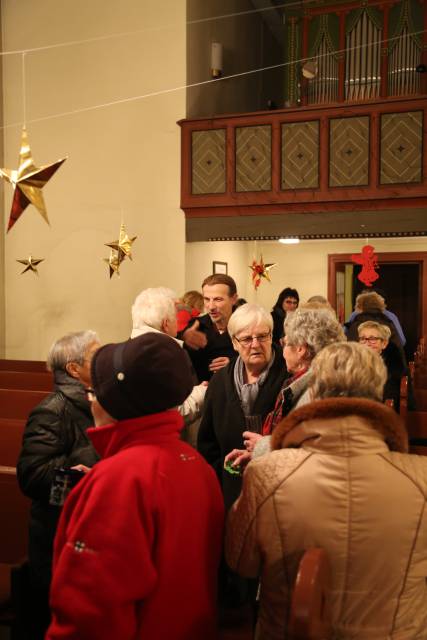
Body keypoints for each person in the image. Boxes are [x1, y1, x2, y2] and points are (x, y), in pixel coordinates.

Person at [226, 342, 427, 640]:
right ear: (377, 395)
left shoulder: (268, 474)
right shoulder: (420, 479)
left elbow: (241, 561)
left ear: (315, 393)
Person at [46, 333, 224, 640]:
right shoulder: (194, 463)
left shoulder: (119, 479)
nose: (91, 403)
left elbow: (90, 612)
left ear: (115, 402)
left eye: (93, 393)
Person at [17, 330, 101, 640]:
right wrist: (78, 477)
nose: (103, 361)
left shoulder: (95, 402)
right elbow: (32, 475)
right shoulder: (52, 410)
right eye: (96, 356)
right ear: (73, 369)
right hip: (55, 536)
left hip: (84, 532)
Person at [225, 307, 346, 468]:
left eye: (285, 343)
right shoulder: (319, 382)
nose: (282, 350)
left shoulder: (318, 393)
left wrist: (263, 447)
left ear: (300, 350)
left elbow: (307, 455)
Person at [198, 303, 287, 510]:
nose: (255, 344)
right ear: (234, 343)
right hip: (231, 495)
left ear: (272, 336)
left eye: (262, 336)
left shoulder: (288, 377)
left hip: (278, 494)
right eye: (247, 339)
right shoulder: (220, 382)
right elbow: (208, 444)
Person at [131, 287, 207, 430]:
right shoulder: (162, 357)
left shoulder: (127, 349)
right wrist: (203, 393)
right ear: (166, 324)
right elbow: (171, 413)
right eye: (176, 318)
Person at [180, 274, 238, 382]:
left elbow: (267, 358)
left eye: (218, 299)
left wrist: (237, 365)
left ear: (234, 299)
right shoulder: (195, 326)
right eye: (206, 299)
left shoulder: (248, 324)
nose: (211, 307)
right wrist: (184, 338)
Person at [358, 320, 407, 409]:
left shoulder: (392, 367)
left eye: (372, 339)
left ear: (384, 344)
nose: (367, 343)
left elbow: (390, 398)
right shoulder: (352, 364)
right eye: (363, 338)